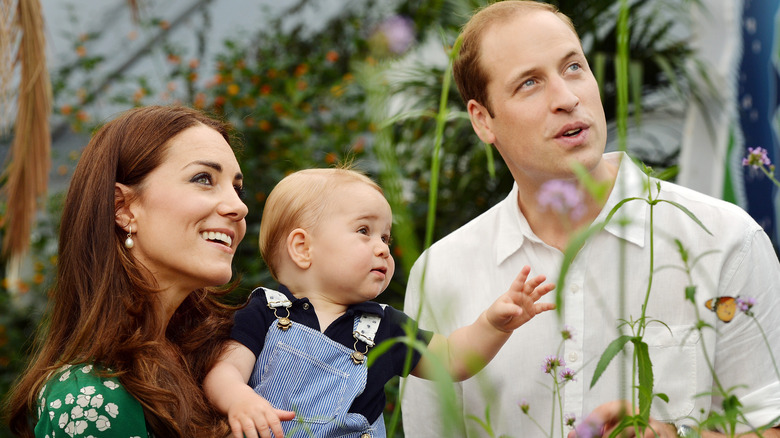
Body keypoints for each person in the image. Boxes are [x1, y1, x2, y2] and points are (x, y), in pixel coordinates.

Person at [401, 1, 780, 437]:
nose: (566, 98)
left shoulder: (725, 239)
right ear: (483, 121)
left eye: (574, 67)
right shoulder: (442, 272)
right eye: (529, 83)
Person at [202, 167, 556, 438]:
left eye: (385, 236)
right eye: (363, 231)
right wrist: (239, 401)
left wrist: (493, 325)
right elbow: (225, 371)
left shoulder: (384, 326)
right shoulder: (267, 310)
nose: (383, 247)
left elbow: (452, 359)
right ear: (303, 248)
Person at [4, 105, 249, 437]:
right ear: (123, 208)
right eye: (204, 179)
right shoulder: (91, 398)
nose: (239, 206)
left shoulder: (226, 364)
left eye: (237, 188)